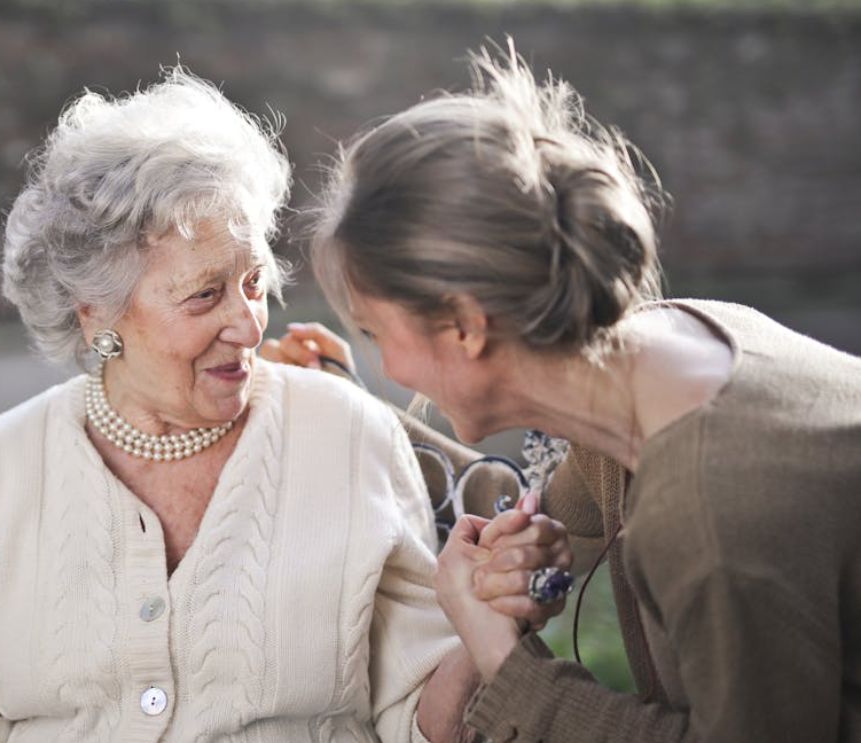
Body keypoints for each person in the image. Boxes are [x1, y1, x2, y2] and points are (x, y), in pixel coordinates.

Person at [0, 68, 567, 743]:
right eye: (204, 295)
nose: (248, 323)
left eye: (254, 281)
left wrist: (481, 621)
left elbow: (418, 721)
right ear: (94, 313)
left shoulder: (347, 433)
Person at [298, 44, 861, 742]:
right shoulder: (667, 349)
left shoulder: (710, 515)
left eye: (375, 332)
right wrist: (518, 571)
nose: (391, 367)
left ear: (466, 326)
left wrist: (508, 664)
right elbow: (547, 532)